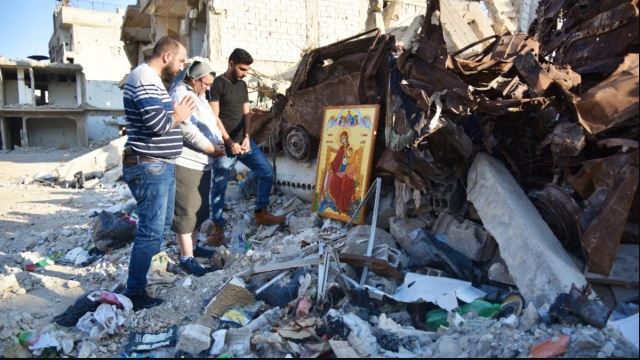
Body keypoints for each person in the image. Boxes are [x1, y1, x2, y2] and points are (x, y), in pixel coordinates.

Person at [121, 36, 194, 310]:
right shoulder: (143, 79)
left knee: (160, 227)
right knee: (150, 232)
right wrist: (179, 114)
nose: (182, 66)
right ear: (166, 56)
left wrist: (175, 113)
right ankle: (135, 291)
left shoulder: (155, 82)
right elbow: (157, 124)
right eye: (181, 60)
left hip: (160, 164)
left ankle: (142, 278)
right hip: (149, 166)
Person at [205, 48, 284, 245]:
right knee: (219, 187)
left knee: (266, 172)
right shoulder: (217, 85)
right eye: (242, 69)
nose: (244, 73)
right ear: (231, 63)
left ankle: (261, 212)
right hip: (225, 146)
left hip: (244, 142)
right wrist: (229, 143)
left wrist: (248, 137)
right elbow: (214, 118)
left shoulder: (242, 85)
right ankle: (218, 228)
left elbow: (247, 114)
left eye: (247, 70)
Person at [169, 60, 226, 276]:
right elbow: (187, 130)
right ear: (195, 79)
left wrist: (218, 143)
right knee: (186, 211)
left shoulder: (199, 96)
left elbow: (211, 123)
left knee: (199, 211)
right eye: (206, 84)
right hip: (187, 162)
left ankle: (192, 248)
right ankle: (185, 258)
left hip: (204, 162)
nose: (208, 88)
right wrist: (211, 147)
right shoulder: (182, 94)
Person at [327, 132, 356, 214]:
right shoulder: (340, 149)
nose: (343, 139)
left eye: (344, 138)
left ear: (347, 138)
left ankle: (343, 206)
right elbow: (336, 161)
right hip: (340, 171)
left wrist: (349, 165)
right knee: (334, 181)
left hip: (348, 171)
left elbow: (354, 161)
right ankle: (337, 203)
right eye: (342, 138)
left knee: (345, 182)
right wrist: (331, 165)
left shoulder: (350, 148)